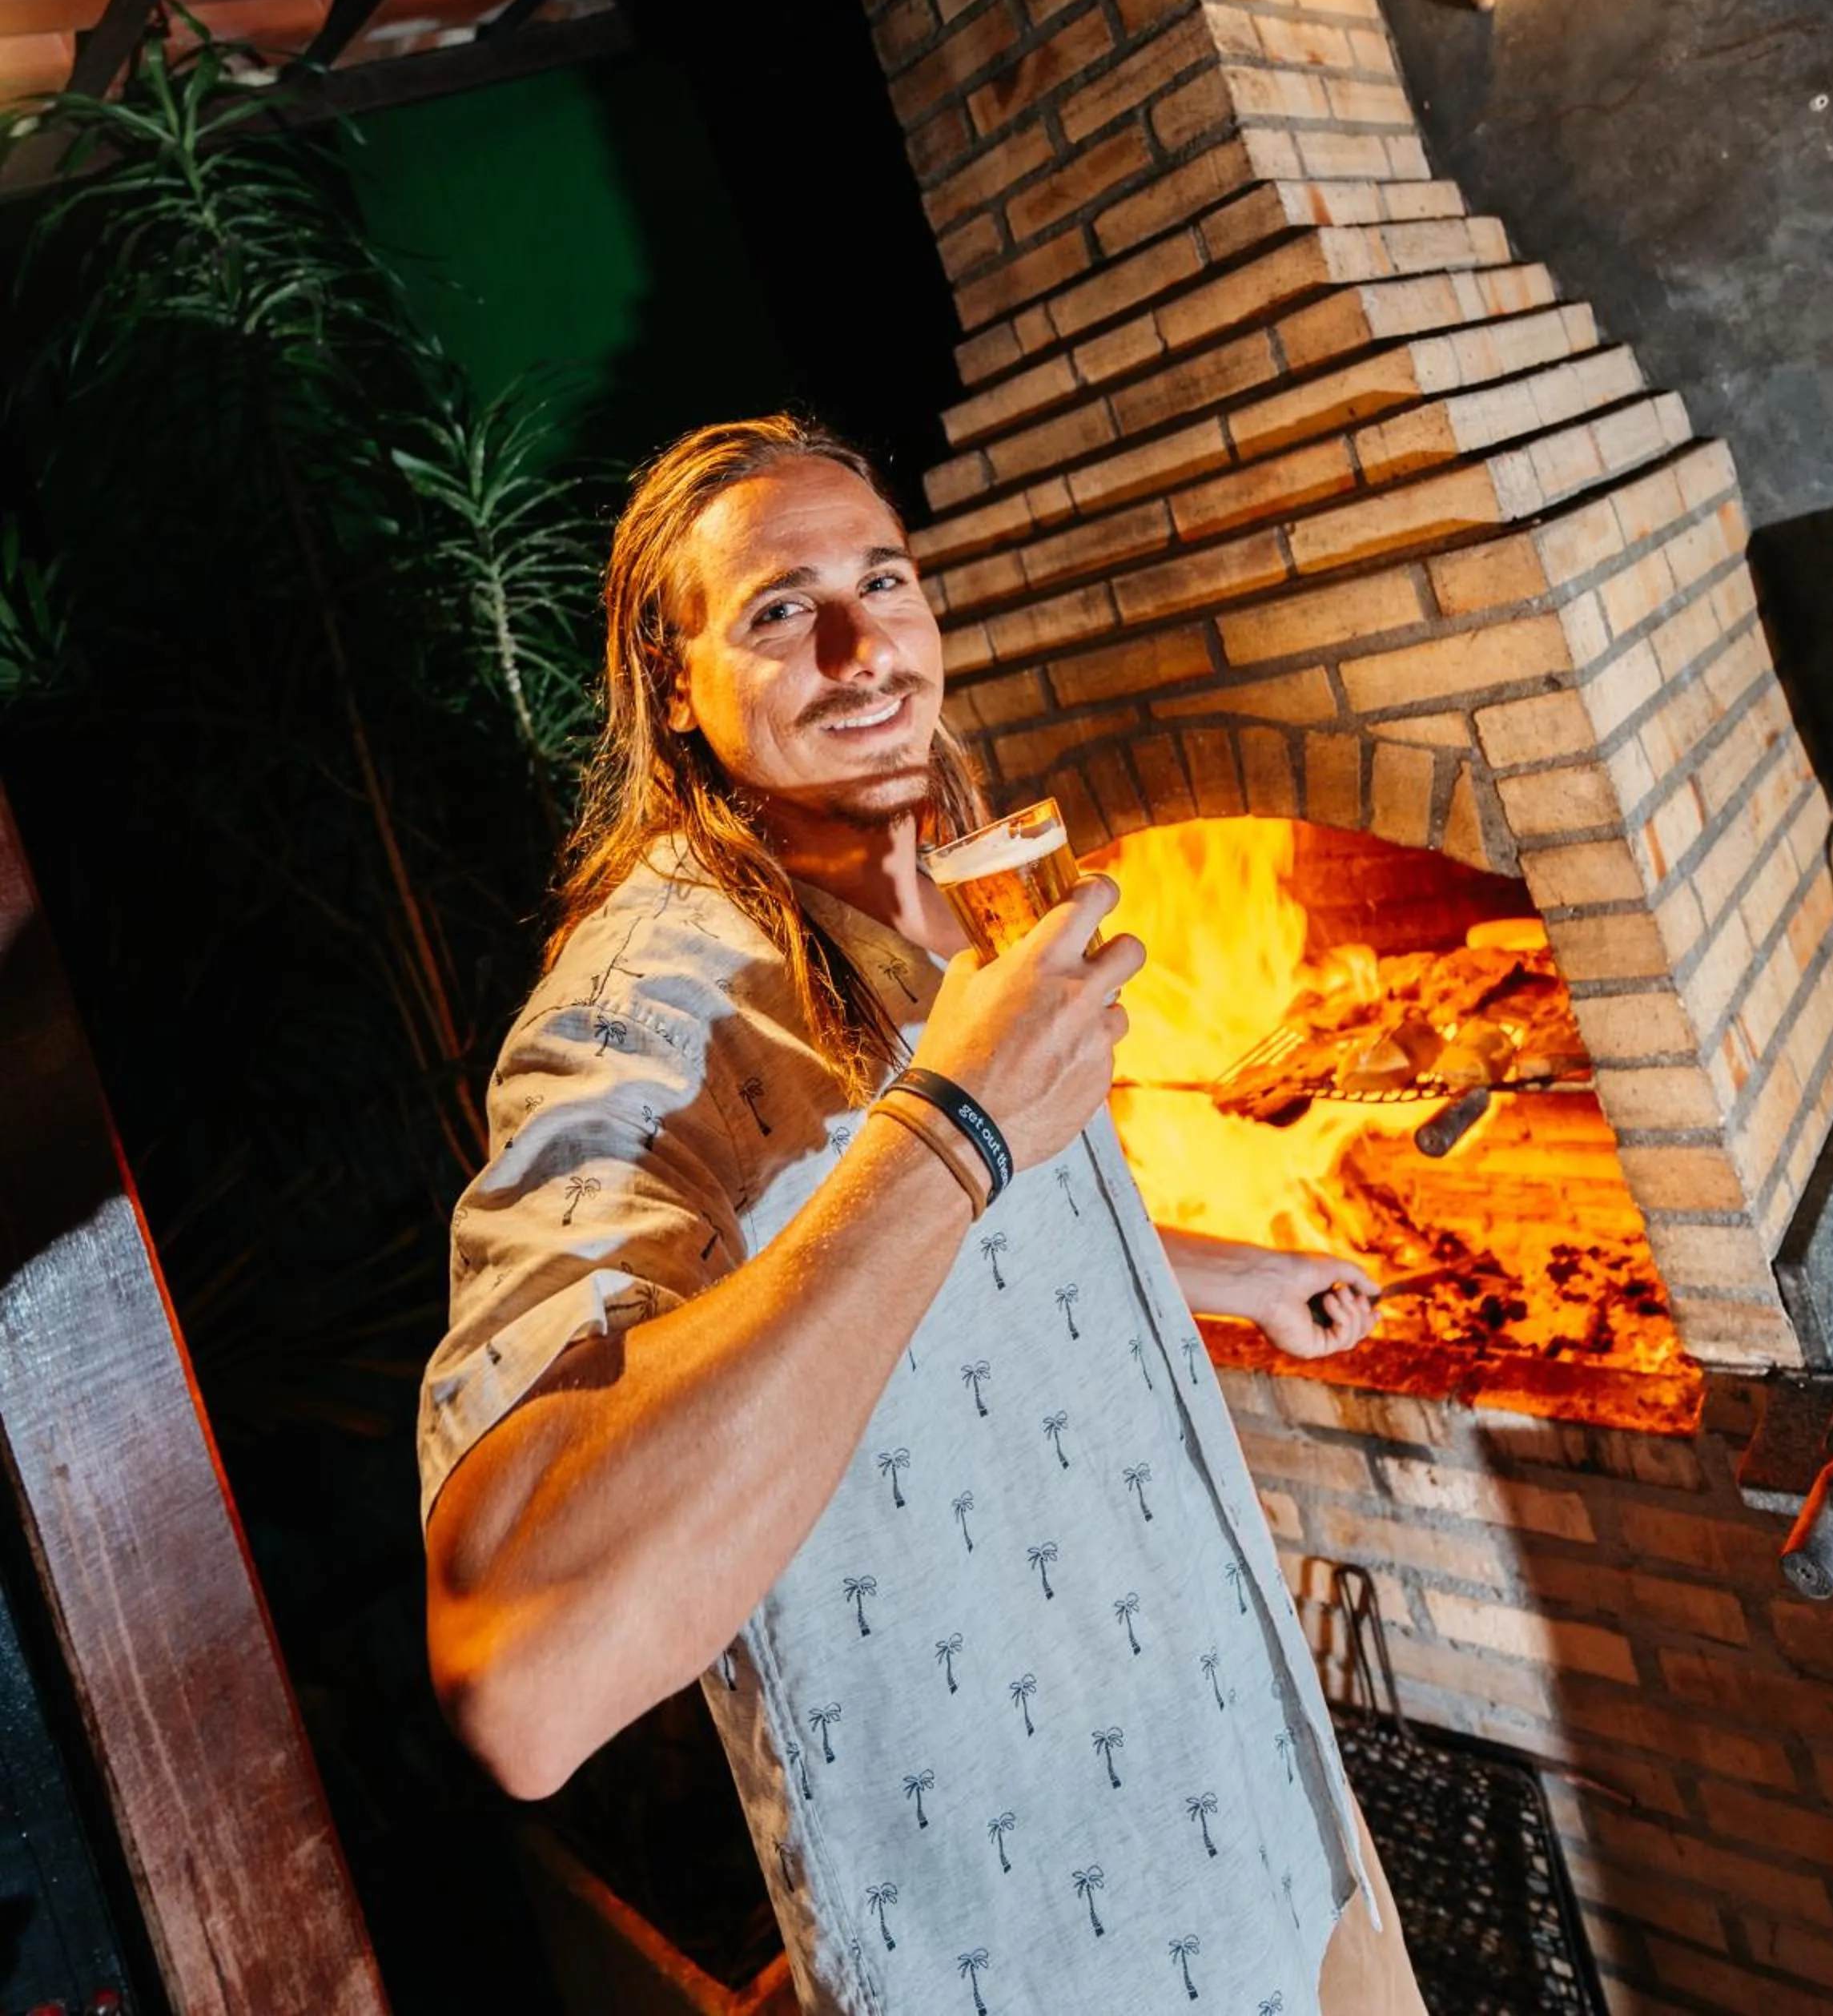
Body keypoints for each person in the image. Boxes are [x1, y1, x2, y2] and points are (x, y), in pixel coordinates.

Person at [419, 413, 1428, 2014]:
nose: (862, 644)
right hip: (1050, 1955)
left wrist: (1232, 1274)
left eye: (883, 580)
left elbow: (953, 1255)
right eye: (774, 610)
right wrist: (952, 1127)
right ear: (672, 691)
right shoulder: (648, 1007)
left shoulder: (945, 876)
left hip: (1279, 1859)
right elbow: (521, 1680)